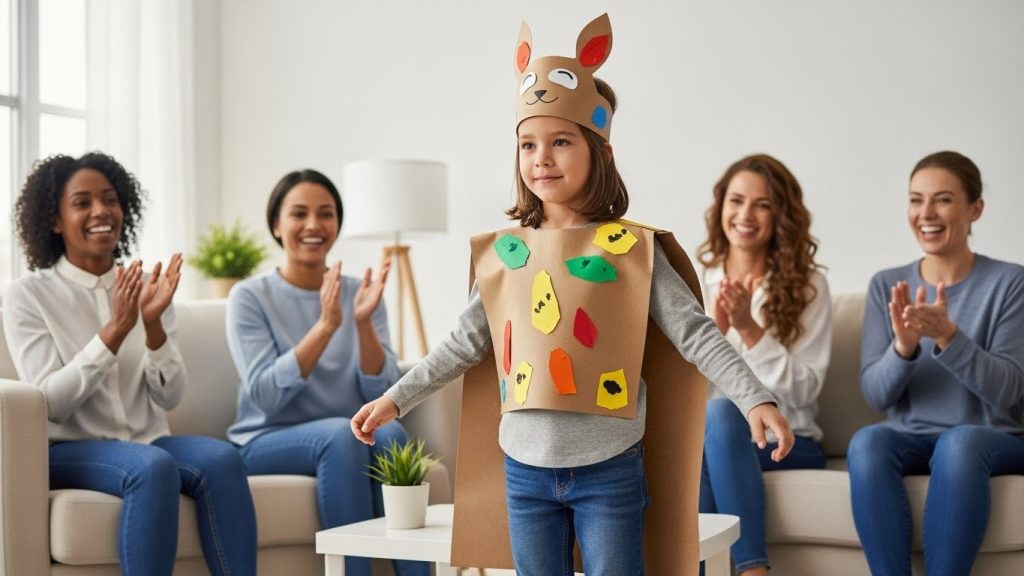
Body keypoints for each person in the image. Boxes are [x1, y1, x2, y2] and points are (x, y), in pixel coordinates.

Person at [349, 14, 795, 575]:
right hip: (523, 469)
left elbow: (696, 334)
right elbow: (462, 344)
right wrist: (396, 399)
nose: (542, 158)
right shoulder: (506, 255)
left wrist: (755, 398)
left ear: (600, 151)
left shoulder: (630, 250)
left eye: (561, 141)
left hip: (610, 468)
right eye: (528, 144)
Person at [2, 152, 257, 576]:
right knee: (153, 468)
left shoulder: (145, 288)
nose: (101, 211)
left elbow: (170, 395)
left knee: (223, 459)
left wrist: (152, 324)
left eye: (110, 199)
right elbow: (50, 402)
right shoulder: (29, 295)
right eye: (82, 202)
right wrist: (115, 332)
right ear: (54, 220)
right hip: (69, 447)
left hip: (146, 438)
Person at [224, 169, 427, 576]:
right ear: (277, 226)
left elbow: (384, 390)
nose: (314, 225)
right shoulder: (249, 297)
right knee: (339, 435)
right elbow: (265, 395)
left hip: (349, 433)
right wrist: (326, 326)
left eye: (326, 214)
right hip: (266, 438)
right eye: (299, 214)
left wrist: (364, 324)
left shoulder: (361, 291)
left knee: (393, 434)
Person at [848, 150, 1024, 576]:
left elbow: (1009, 391)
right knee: (867, 442)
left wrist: (948, 336)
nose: (926, 213)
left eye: (943, 199)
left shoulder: (1010, 282)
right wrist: (904, 347)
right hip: (913, 435)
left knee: (959, 443)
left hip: (991, 437)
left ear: (974, 209)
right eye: (915, 199)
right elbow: (876, 394)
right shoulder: (887, 285)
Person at [696, 154, 832, 576]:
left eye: (763, 204)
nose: (745, 215)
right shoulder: (698, 279)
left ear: (781, 215)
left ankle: (754, 570)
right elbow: (683, 396)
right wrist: (714, 333)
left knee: (718, 417)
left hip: (790, 441)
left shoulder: (808, 285)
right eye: (736, 201)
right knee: (704, 434)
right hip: (715, 438)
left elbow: (805, 390)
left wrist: (749, 329)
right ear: (721, 207)